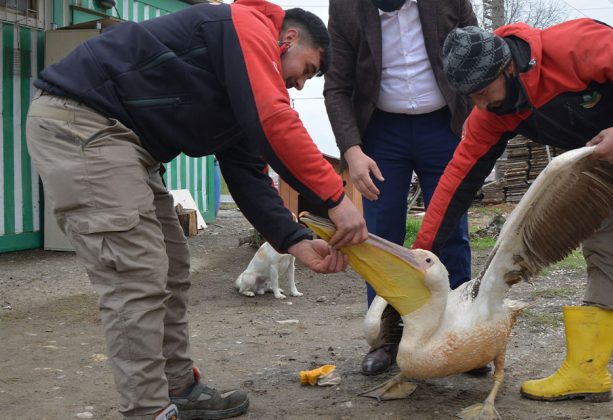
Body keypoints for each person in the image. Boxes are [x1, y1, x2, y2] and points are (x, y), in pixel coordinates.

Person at [26, 1, 367, 419]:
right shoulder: (242, 25)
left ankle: (180, 390)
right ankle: (150, 410)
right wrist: (336, 199)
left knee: (171, 264)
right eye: (308, 69)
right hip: (82, 121)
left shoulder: (244, 91)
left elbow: (248, 176)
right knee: (136, 273)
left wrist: (295, 241)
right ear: (288, 39)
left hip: (127, 144)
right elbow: (275, 121)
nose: (300, 86)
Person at [413, 21, 613, 420]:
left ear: (508, 69)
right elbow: (456, 181)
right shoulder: (493, 112)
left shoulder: (571, 46)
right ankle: (588, 374)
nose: (479, 105)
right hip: (604, 148)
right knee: (603, 246)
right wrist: (421, 251)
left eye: (483, 93)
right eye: (470, 98)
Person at [323, 0, 478, 376]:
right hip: (381, 132)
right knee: (380, 237)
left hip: (444, 126)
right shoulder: (345, 7)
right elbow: (337, 86)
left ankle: (461, 336)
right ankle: (388, 339)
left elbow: (476, 53)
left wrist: (477, 125)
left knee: (451, 231)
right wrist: (352, 150)